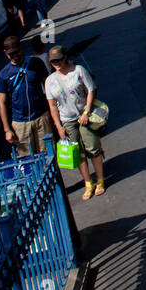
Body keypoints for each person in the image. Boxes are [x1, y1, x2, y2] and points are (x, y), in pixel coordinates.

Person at [44, 46, 106, 199]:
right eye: (53, 62)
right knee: (77, 151)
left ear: (65, 57)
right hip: (67, 119)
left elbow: (91, 89)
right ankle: (87, 182)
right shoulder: (50, 80)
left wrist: (86, 111)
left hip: (84, 115)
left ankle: (100, 179)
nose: (57, 63)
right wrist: (58, 126)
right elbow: (52, 105)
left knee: (92, 146)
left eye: (59, 59)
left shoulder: (78, 70)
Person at [0, 34, 52, 157]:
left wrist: (53, 114)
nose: (15, 56)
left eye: (17, 52)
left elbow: (49, 88)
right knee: (27, 159)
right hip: (20, 122)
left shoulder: (36, 63)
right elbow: (2, 102)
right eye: (11, 54)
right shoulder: (3, 74)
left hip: (41, 116)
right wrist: (7, 129)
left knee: (48, 156)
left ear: (21, 48)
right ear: (5, 53)